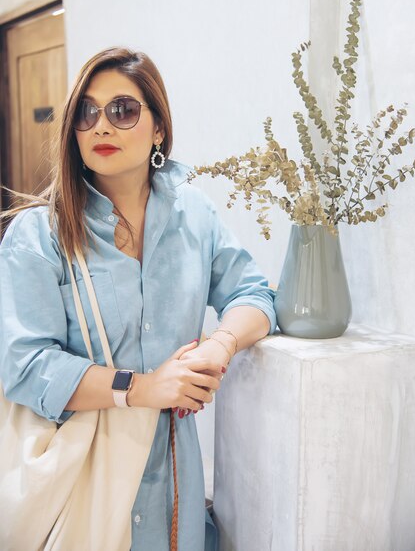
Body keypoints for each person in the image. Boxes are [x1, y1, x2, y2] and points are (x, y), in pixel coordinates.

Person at [0, 47, 276, 550]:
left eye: (122, 110)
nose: (101, 126)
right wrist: (142, 388)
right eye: (87, 112)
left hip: (175, 482)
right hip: (85, 485)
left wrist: (217, 347)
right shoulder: (38, 236)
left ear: (158, 129)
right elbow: (24, 363)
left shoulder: (194, 214)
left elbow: (254, 294)